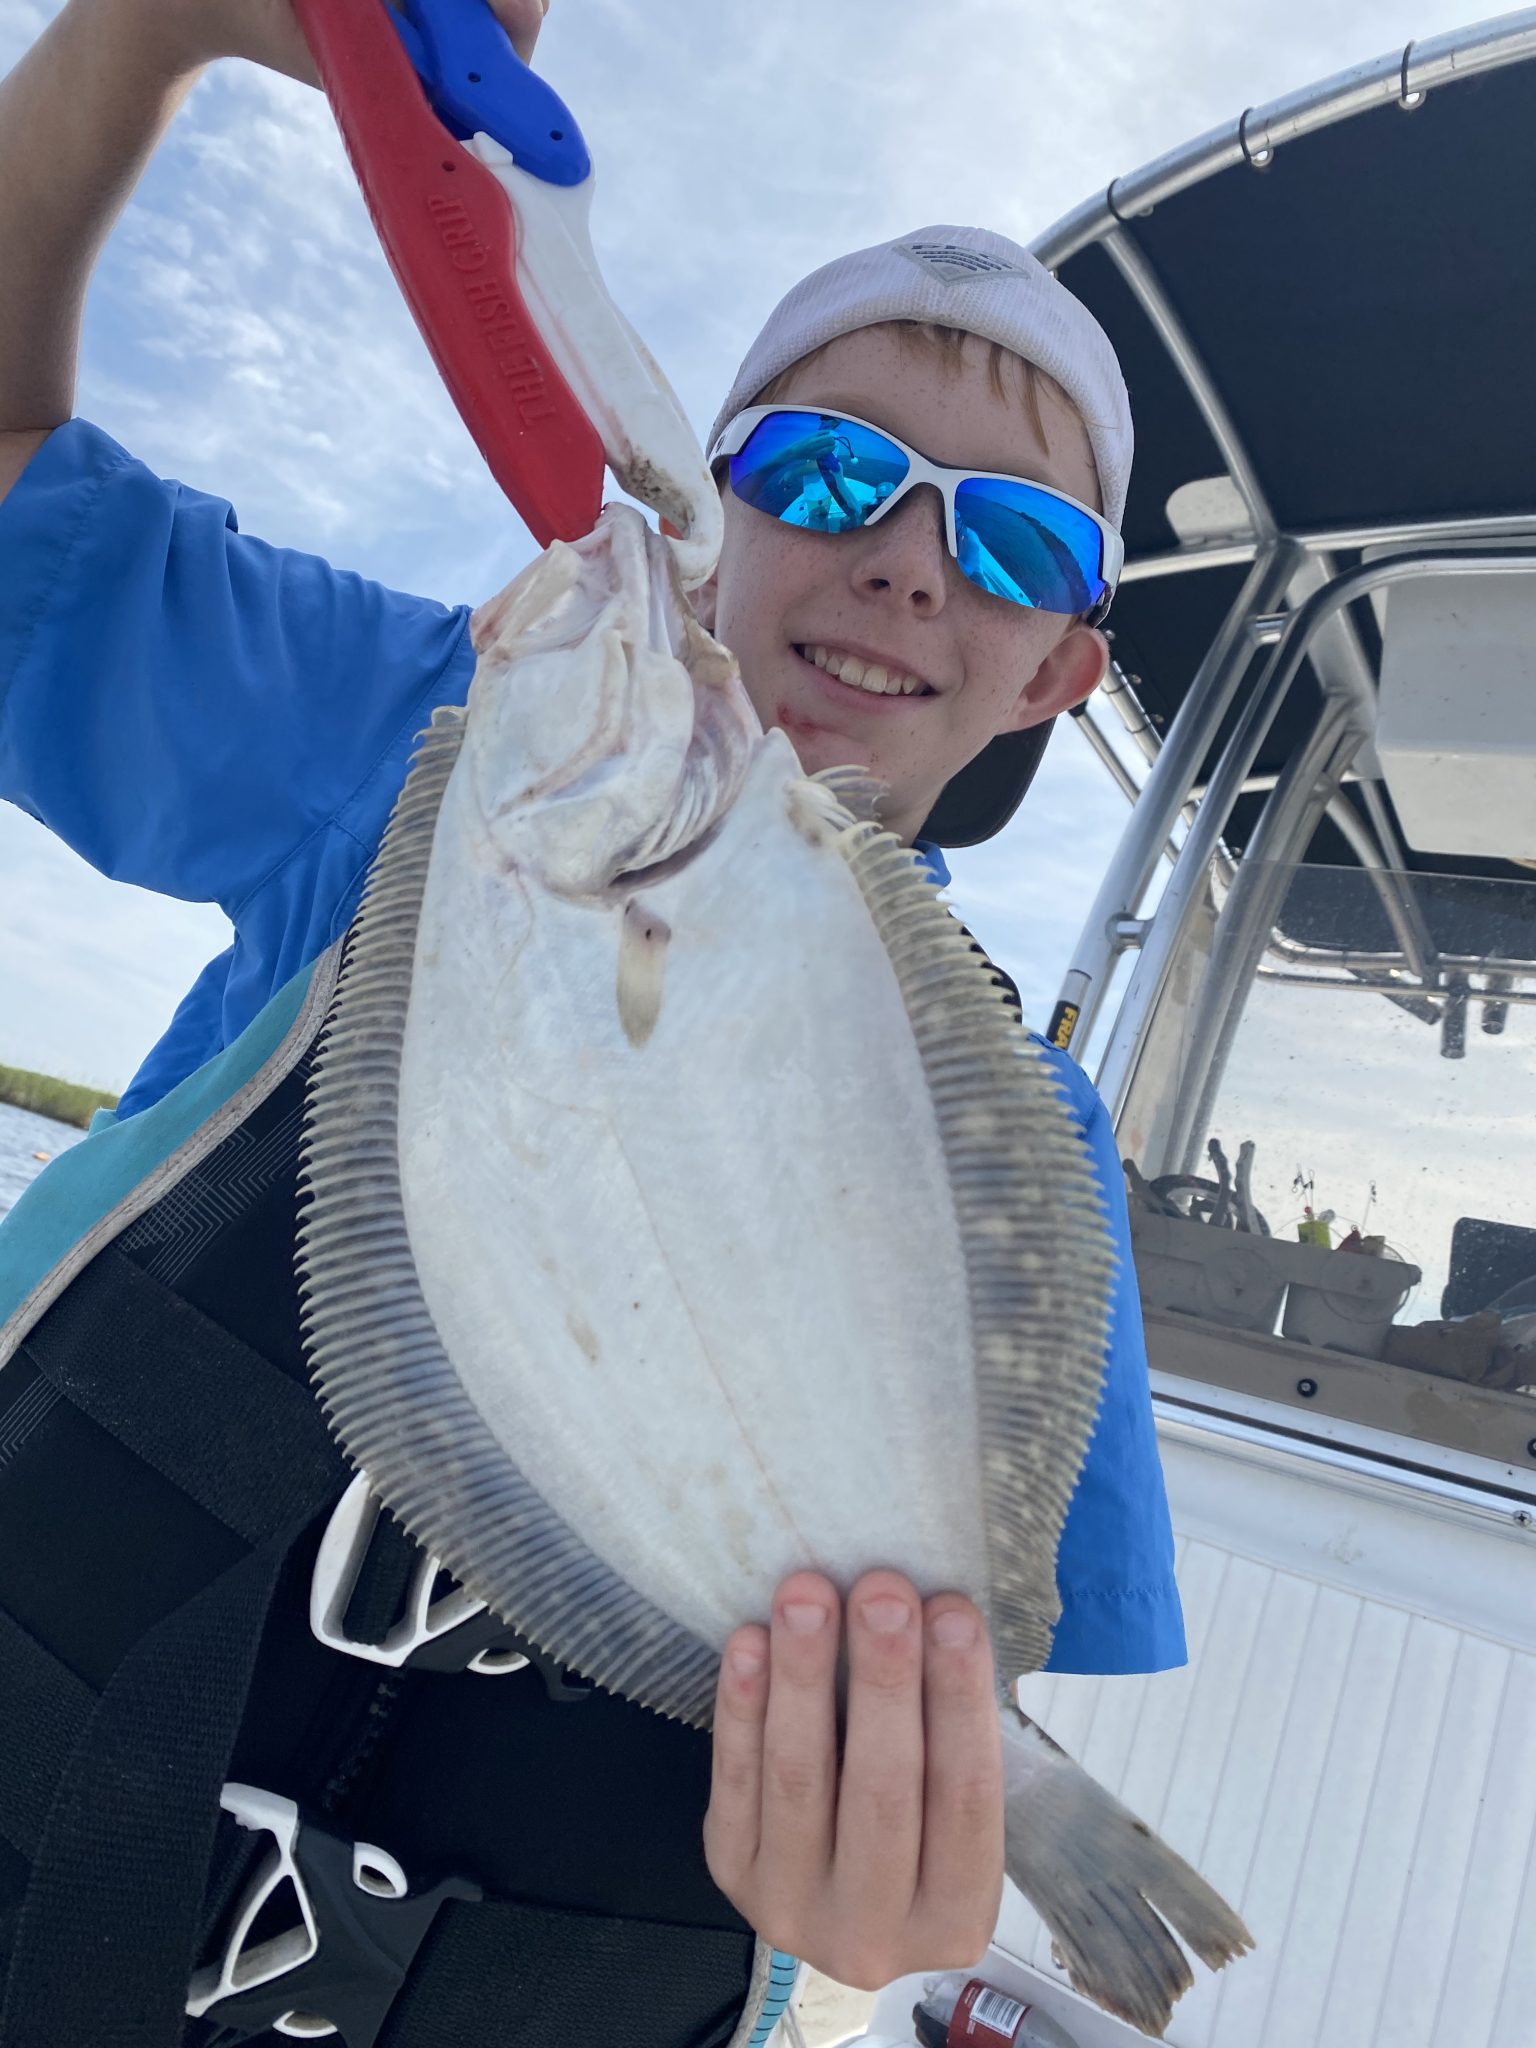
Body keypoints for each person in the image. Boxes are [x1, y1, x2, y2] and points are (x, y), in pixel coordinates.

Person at [0, 2, 1183, 2042]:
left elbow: (934, 1669)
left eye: (1009, 538)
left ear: (1058, 672)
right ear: (697, 499)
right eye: (831, 470)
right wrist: (133, 45)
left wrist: (894, 1877)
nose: (908, 561)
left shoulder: (1028, 1134)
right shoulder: (412, 743)